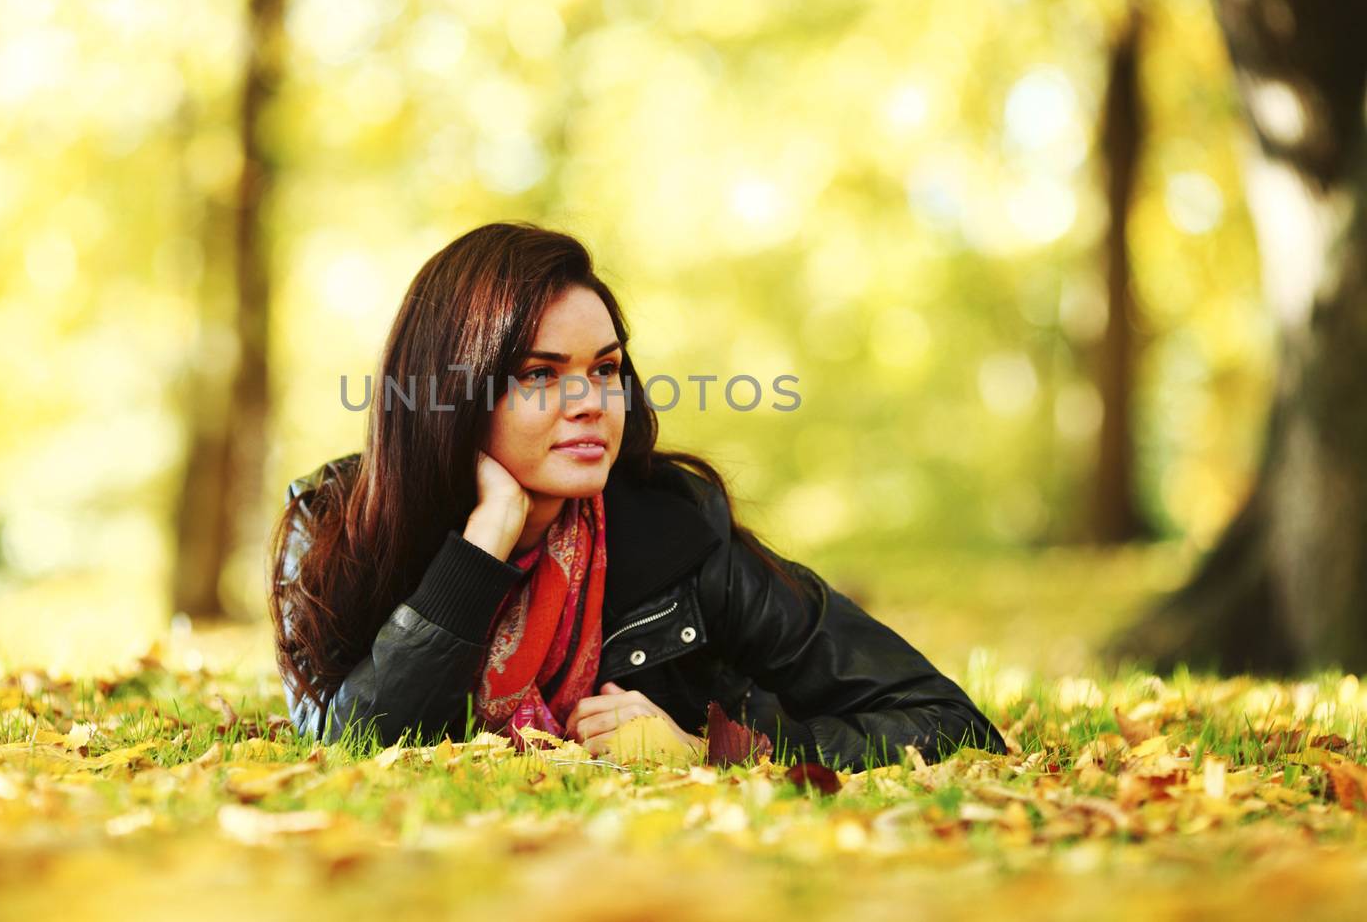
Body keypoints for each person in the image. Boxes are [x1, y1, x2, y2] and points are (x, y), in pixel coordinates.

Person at [268, 222, 1005, 769]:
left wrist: (707, 747)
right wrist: (482, 544)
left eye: (607, 368)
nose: (591, 401)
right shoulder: (334, 524)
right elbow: (348, 748)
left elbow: (946, 721)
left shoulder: (673, 532)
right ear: (456, 395)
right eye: (540, 374)